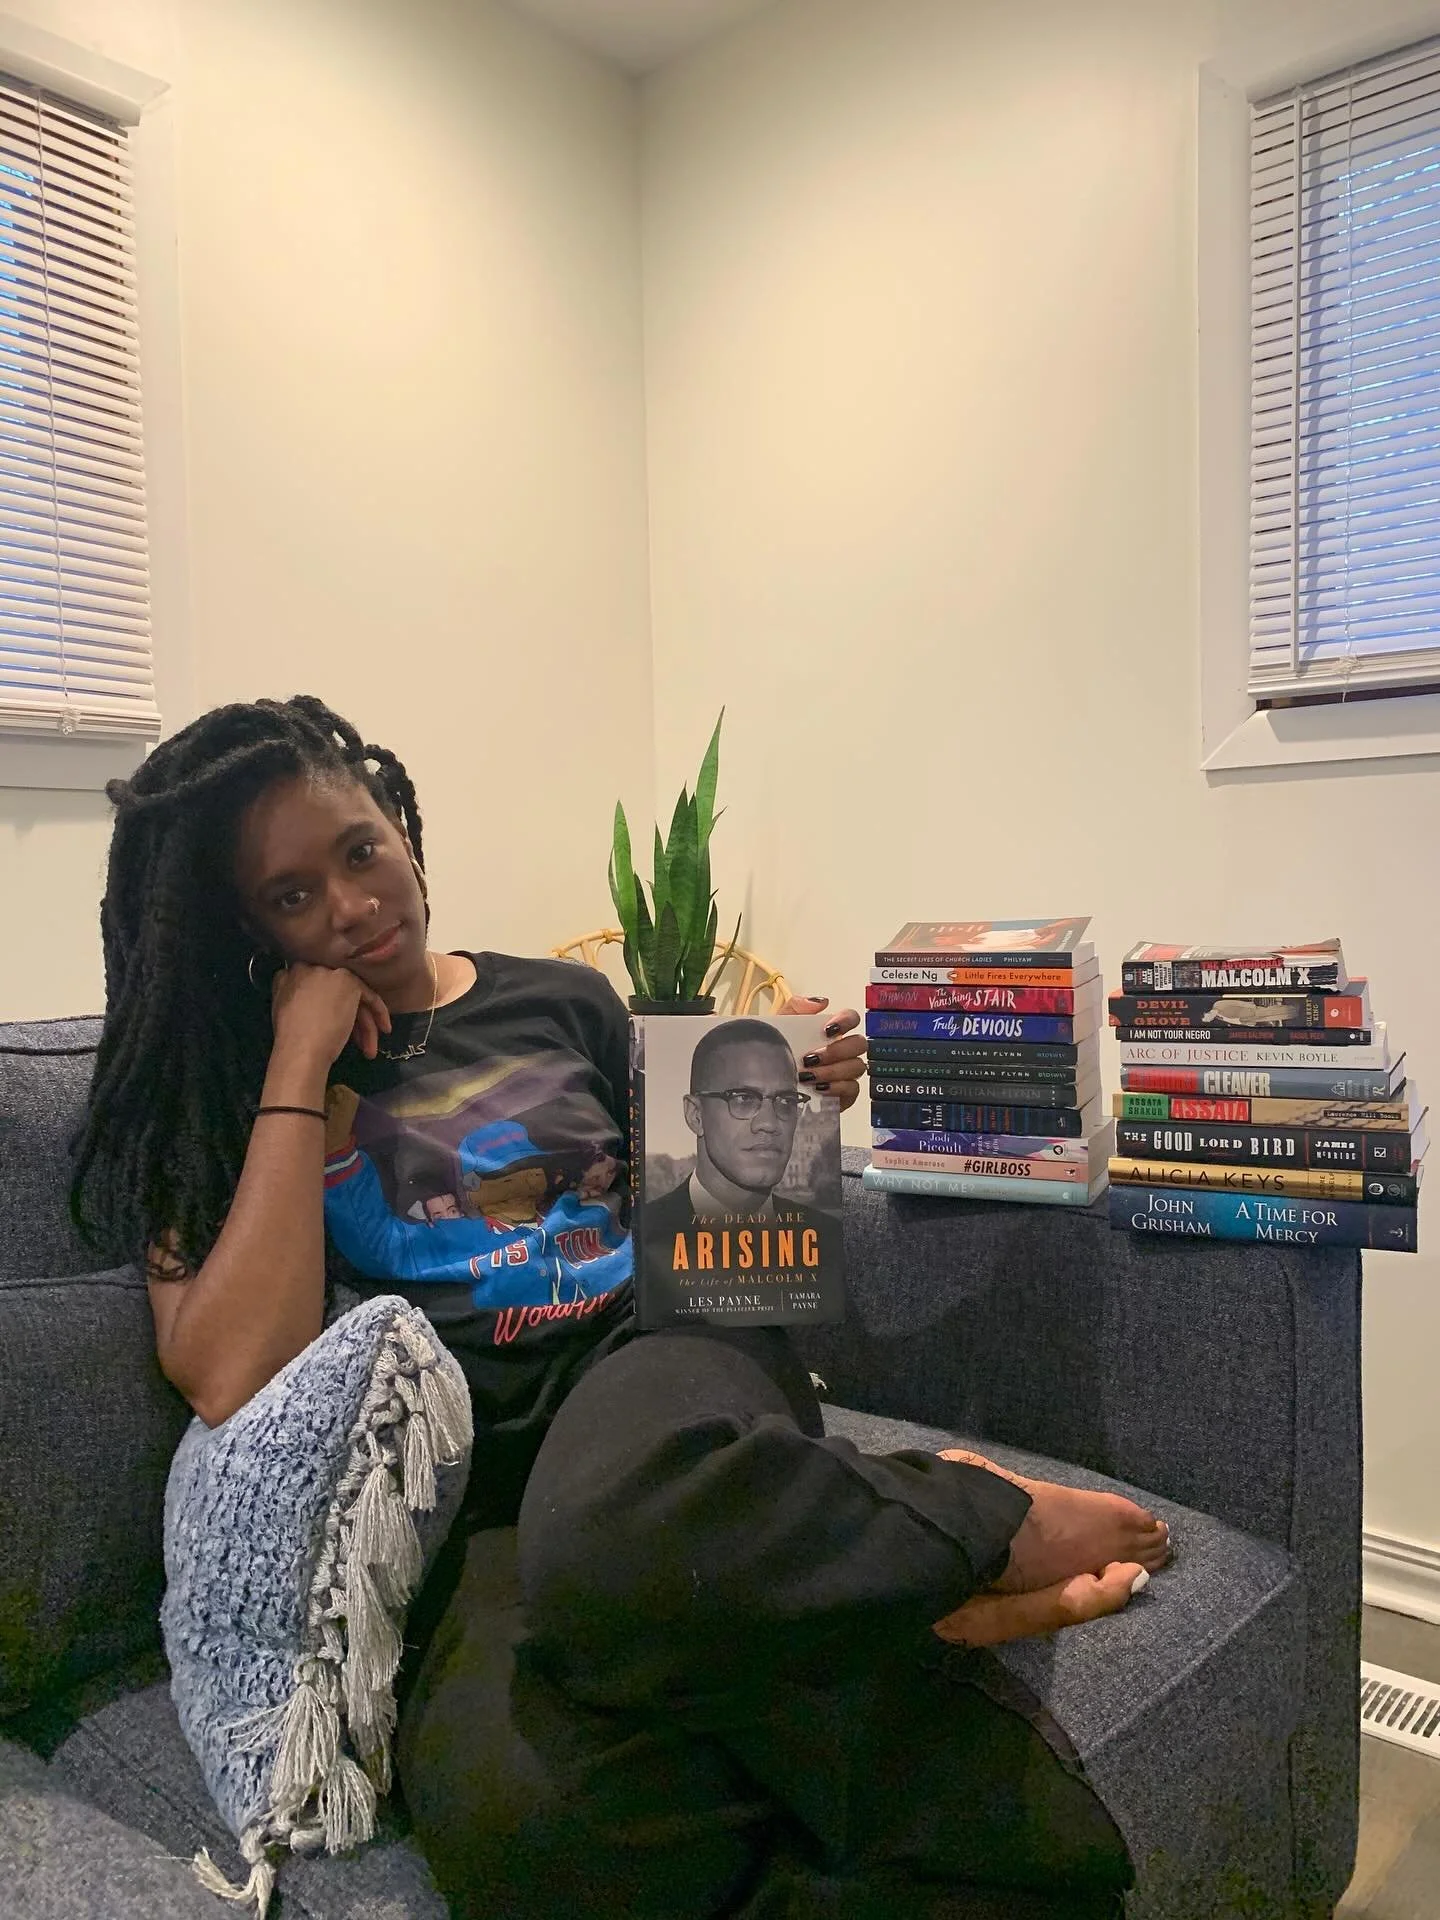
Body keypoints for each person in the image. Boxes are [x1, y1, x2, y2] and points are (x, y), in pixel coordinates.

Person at [71, 695, 1169, 1920]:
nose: (349, 903)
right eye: (292, 895)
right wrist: (296, 1062)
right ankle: (894, 1587)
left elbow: (702, 1204)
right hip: (489, 1490)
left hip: (663, 1363)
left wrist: (794, 1098)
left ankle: (978, 1512)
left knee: (610, 1528)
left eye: (360, 850)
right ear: (250, 929)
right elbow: (229, 1373)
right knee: (523, 1823)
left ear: (404, 830)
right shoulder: (236, 1088)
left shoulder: (564, 1001)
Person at [644, 1017, 836, 1238]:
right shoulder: (643, 1237)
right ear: (695, 1115)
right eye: (743, 1099)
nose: (769, 1123)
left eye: (786, 1101)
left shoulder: (827, 1236)